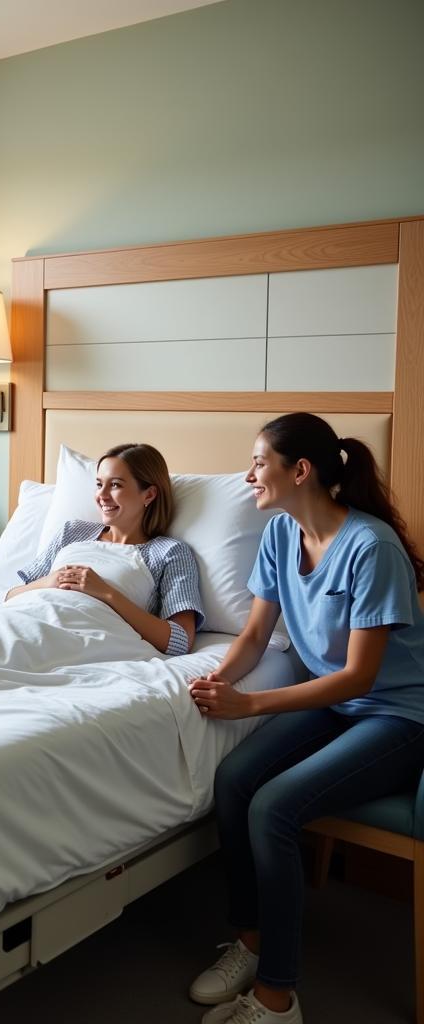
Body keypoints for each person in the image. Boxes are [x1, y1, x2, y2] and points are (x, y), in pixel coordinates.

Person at [187, 413, 424, 1024]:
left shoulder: (371, 548)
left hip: (396, 715)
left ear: (301, 470)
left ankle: (277, 999)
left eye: (259, 462)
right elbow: (255, 634)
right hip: (335, 704)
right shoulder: (279, 534)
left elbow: (360, 677)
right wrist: (221, 680)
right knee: (236, 779)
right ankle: (251, 939)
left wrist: (253, 704)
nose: (249, 476)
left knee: (275, 806)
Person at [7, 442, 203, 656]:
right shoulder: (72, 531)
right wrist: (49, 581)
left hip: (77, 641)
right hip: (20, 621)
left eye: (116, 485)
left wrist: (106, 593)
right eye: (99, 484)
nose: (102, 495)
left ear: (149, 495)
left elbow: (180, 641)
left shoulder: (169, 552)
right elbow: (11, 596)